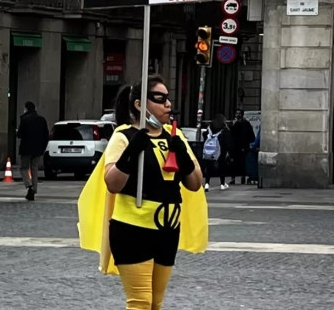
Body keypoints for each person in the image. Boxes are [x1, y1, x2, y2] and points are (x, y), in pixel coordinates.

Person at [77, 74, 208, 310]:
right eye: (159, 99)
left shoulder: (175, 136)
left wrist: (185, 158)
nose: (167, 105)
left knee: (155, 304)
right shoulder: (123, 136)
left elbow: (195, 183)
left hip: (167, 230)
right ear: (139, 104)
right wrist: (133, 149)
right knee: (140, 303)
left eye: (168, 99)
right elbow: (113, 183)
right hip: (133, 230)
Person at [17, 101, 49, 201]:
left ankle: (29, 186)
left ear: (26, 108)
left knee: (24, 168)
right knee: (34, 169)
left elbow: (20, 135)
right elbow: (46, 135)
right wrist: (43, 148)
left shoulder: (24, 119)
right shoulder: (42, 119)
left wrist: (17, 132)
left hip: (26, 149)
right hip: (38, 149)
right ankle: (34, 189)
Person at [202, 114, 234, 192]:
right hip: (221, 151)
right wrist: (228, 151)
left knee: (208, 167)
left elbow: (204, 135)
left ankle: (207, 184)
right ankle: (222, 184)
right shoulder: (224, 129)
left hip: (209, 150)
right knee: (221, 166)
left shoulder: (210, 128)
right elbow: (228, 142)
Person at [230, 108, 256, 184]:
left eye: (239, 113)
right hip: (234, 147)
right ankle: (233, 178)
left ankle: (243, 177)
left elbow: (251, 136)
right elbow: (230, 134)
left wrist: (247, 143)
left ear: (242, 115)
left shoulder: (246, 124)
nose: (237, 115)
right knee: (233, 163)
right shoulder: (233, 124)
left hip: (243, 147)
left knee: (243, 163)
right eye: (236, 113)